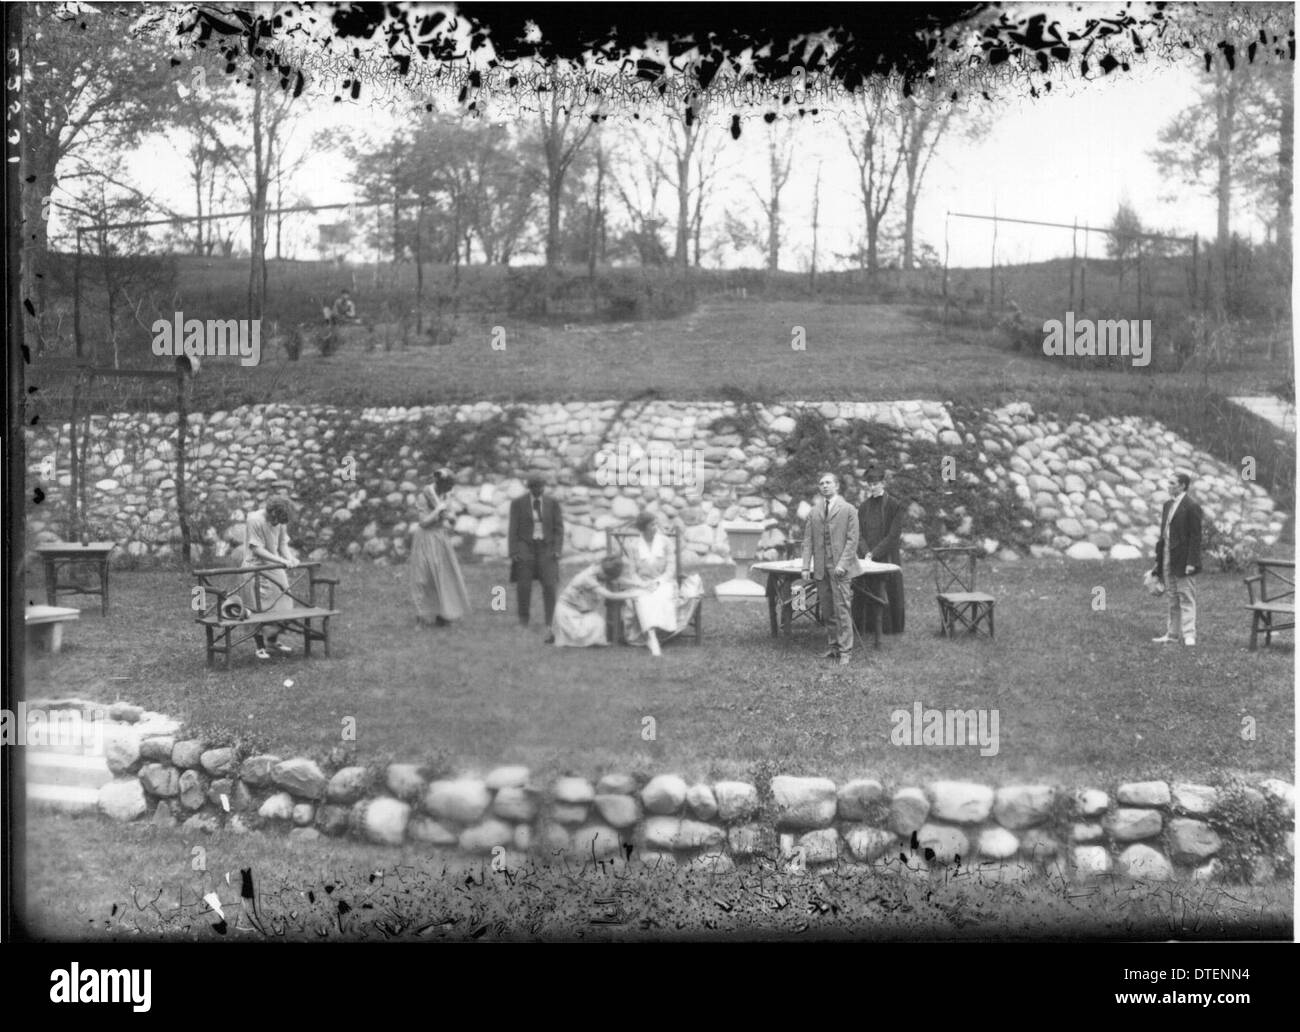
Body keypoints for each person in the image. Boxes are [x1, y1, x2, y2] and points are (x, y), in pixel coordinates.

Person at [618, 511, 704, 657]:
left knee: (662, 595)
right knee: (643, 598)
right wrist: (644, 584)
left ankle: (661, 634)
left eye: (656, 524)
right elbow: (632, 572)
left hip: (664, 581)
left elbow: (671, 568)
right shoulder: (634, 545)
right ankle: (652, 639)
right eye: (652, 525)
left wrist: (658, 581)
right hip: (643, 583)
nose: (656, 527)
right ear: (643, 528)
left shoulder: (665, 542)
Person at [800, 471, 860, 666]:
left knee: (842, 607)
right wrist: (805, 566)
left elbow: (852, 541)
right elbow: (807, 540)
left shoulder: (849, 509)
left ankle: (846, 650)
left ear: (836, 486)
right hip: (820, 568)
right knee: (828, 609)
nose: (824, 486)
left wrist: (842, 564)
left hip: (840, 568)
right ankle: (834, 646)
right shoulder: (814, 511)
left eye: (828, 483)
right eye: (821, 483)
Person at [237, 495, 298, 661]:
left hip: (273, 567)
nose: (278, 523)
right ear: (272, 512)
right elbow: (256, 549)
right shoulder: (254, 519)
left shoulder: (280, 520)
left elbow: (282, 544)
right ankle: (260, 647)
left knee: (284, 601)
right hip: (254, 567)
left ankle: (273, 640)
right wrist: (281, 560)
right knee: (257, 608)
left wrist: (290, 558)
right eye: (277, 519)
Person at [409, 467, 471, 628]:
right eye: (449, 485)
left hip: (440, 537)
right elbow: (423, 522)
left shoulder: (444, 496)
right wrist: (437, 510)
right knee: (423, 577)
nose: (451, 488)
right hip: (425, 537)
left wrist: (450, 517)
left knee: (443, 576)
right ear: (441, 483)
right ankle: (421, 617)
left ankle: (443, 615)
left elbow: (448, 516)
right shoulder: (424, 496)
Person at [509, 473, 564, 642]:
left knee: (549, 584)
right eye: (535, 487)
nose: (538, 490)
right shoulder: (518, 503)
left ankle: (550, 621)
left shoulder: (552, 503)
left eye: (541, 487)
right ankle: (523, 620)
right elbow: (513, 528)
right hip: (526, 545)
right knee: (523, 585)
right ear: (530, 488)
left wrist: (556, 549)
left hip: (546, 547)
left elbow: (558, 528)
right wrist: (514, 551)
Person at [1151, 470, 1203, 646]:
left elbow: (1196, 537)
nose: (1169, 486)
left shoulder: (1192, 506)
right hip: (1167, 555)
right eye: (1169, 482)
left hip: (1184, 558)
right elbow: (1164, 534)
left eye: (1172, 483)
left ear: (1182, 486)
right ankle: (1172, 634)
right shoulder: (1167, 505)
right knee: (1172, 596)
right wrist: (1159, 559)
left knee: (1186, 596)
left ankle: (1189, 635)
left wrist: (1191, 562)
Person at [853, 463, 906, 635]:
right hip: (866, 556)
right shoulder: (863, 506)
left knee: (888, 589)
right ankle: (867, 626)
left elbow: (893, 535)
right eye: (870, 484)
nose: (872, 487)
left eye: (875, 483)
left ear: (883, 483)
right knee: (864, 589)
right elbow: (858, 533)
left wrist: (875, 553)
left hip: (886, 555)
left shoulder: (894, 505)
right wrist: (866, 552)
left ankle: (890, 627)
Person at [551, 556, 645, 648]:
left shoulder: (600, 570)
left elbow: (618, 580)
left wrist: (640, 584)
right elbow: (610, 595)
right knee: (589, 628)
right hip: (567, 612)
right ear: (605, 574)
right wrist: (633, 594)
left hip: (581, 611)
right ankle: (569, 638)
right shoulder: (588, 578)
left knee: (598, 623)